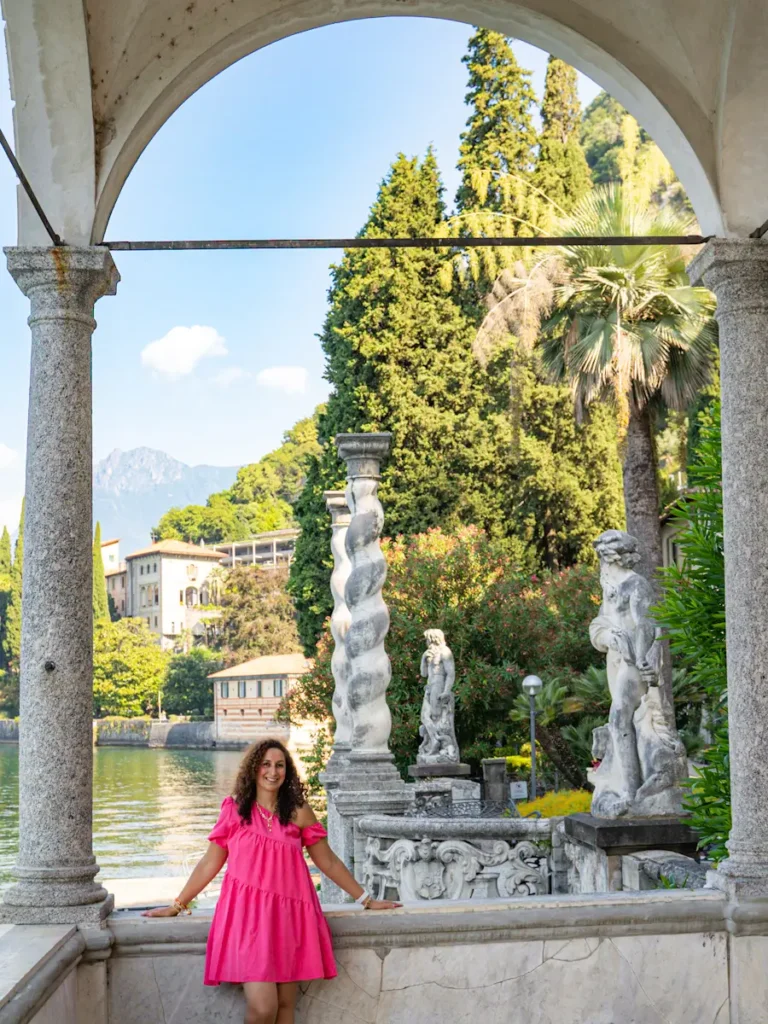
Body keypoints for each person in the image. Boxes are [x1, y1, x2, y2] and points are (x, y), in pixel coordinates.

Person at [143, 738, 400, 1024]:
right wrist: (177, 904)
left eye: (279, 765)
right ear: (253, 769)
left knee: (285, 1005)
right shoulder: (235, 810)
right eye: (265, 764)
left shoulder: (299, 812)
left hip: (289, 915)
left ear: (287, 772)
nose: (272, 772)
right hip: (247, 917)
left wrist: (366, 899)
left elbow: (327, 862)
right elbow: (209, 863)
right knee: (263, 1007)